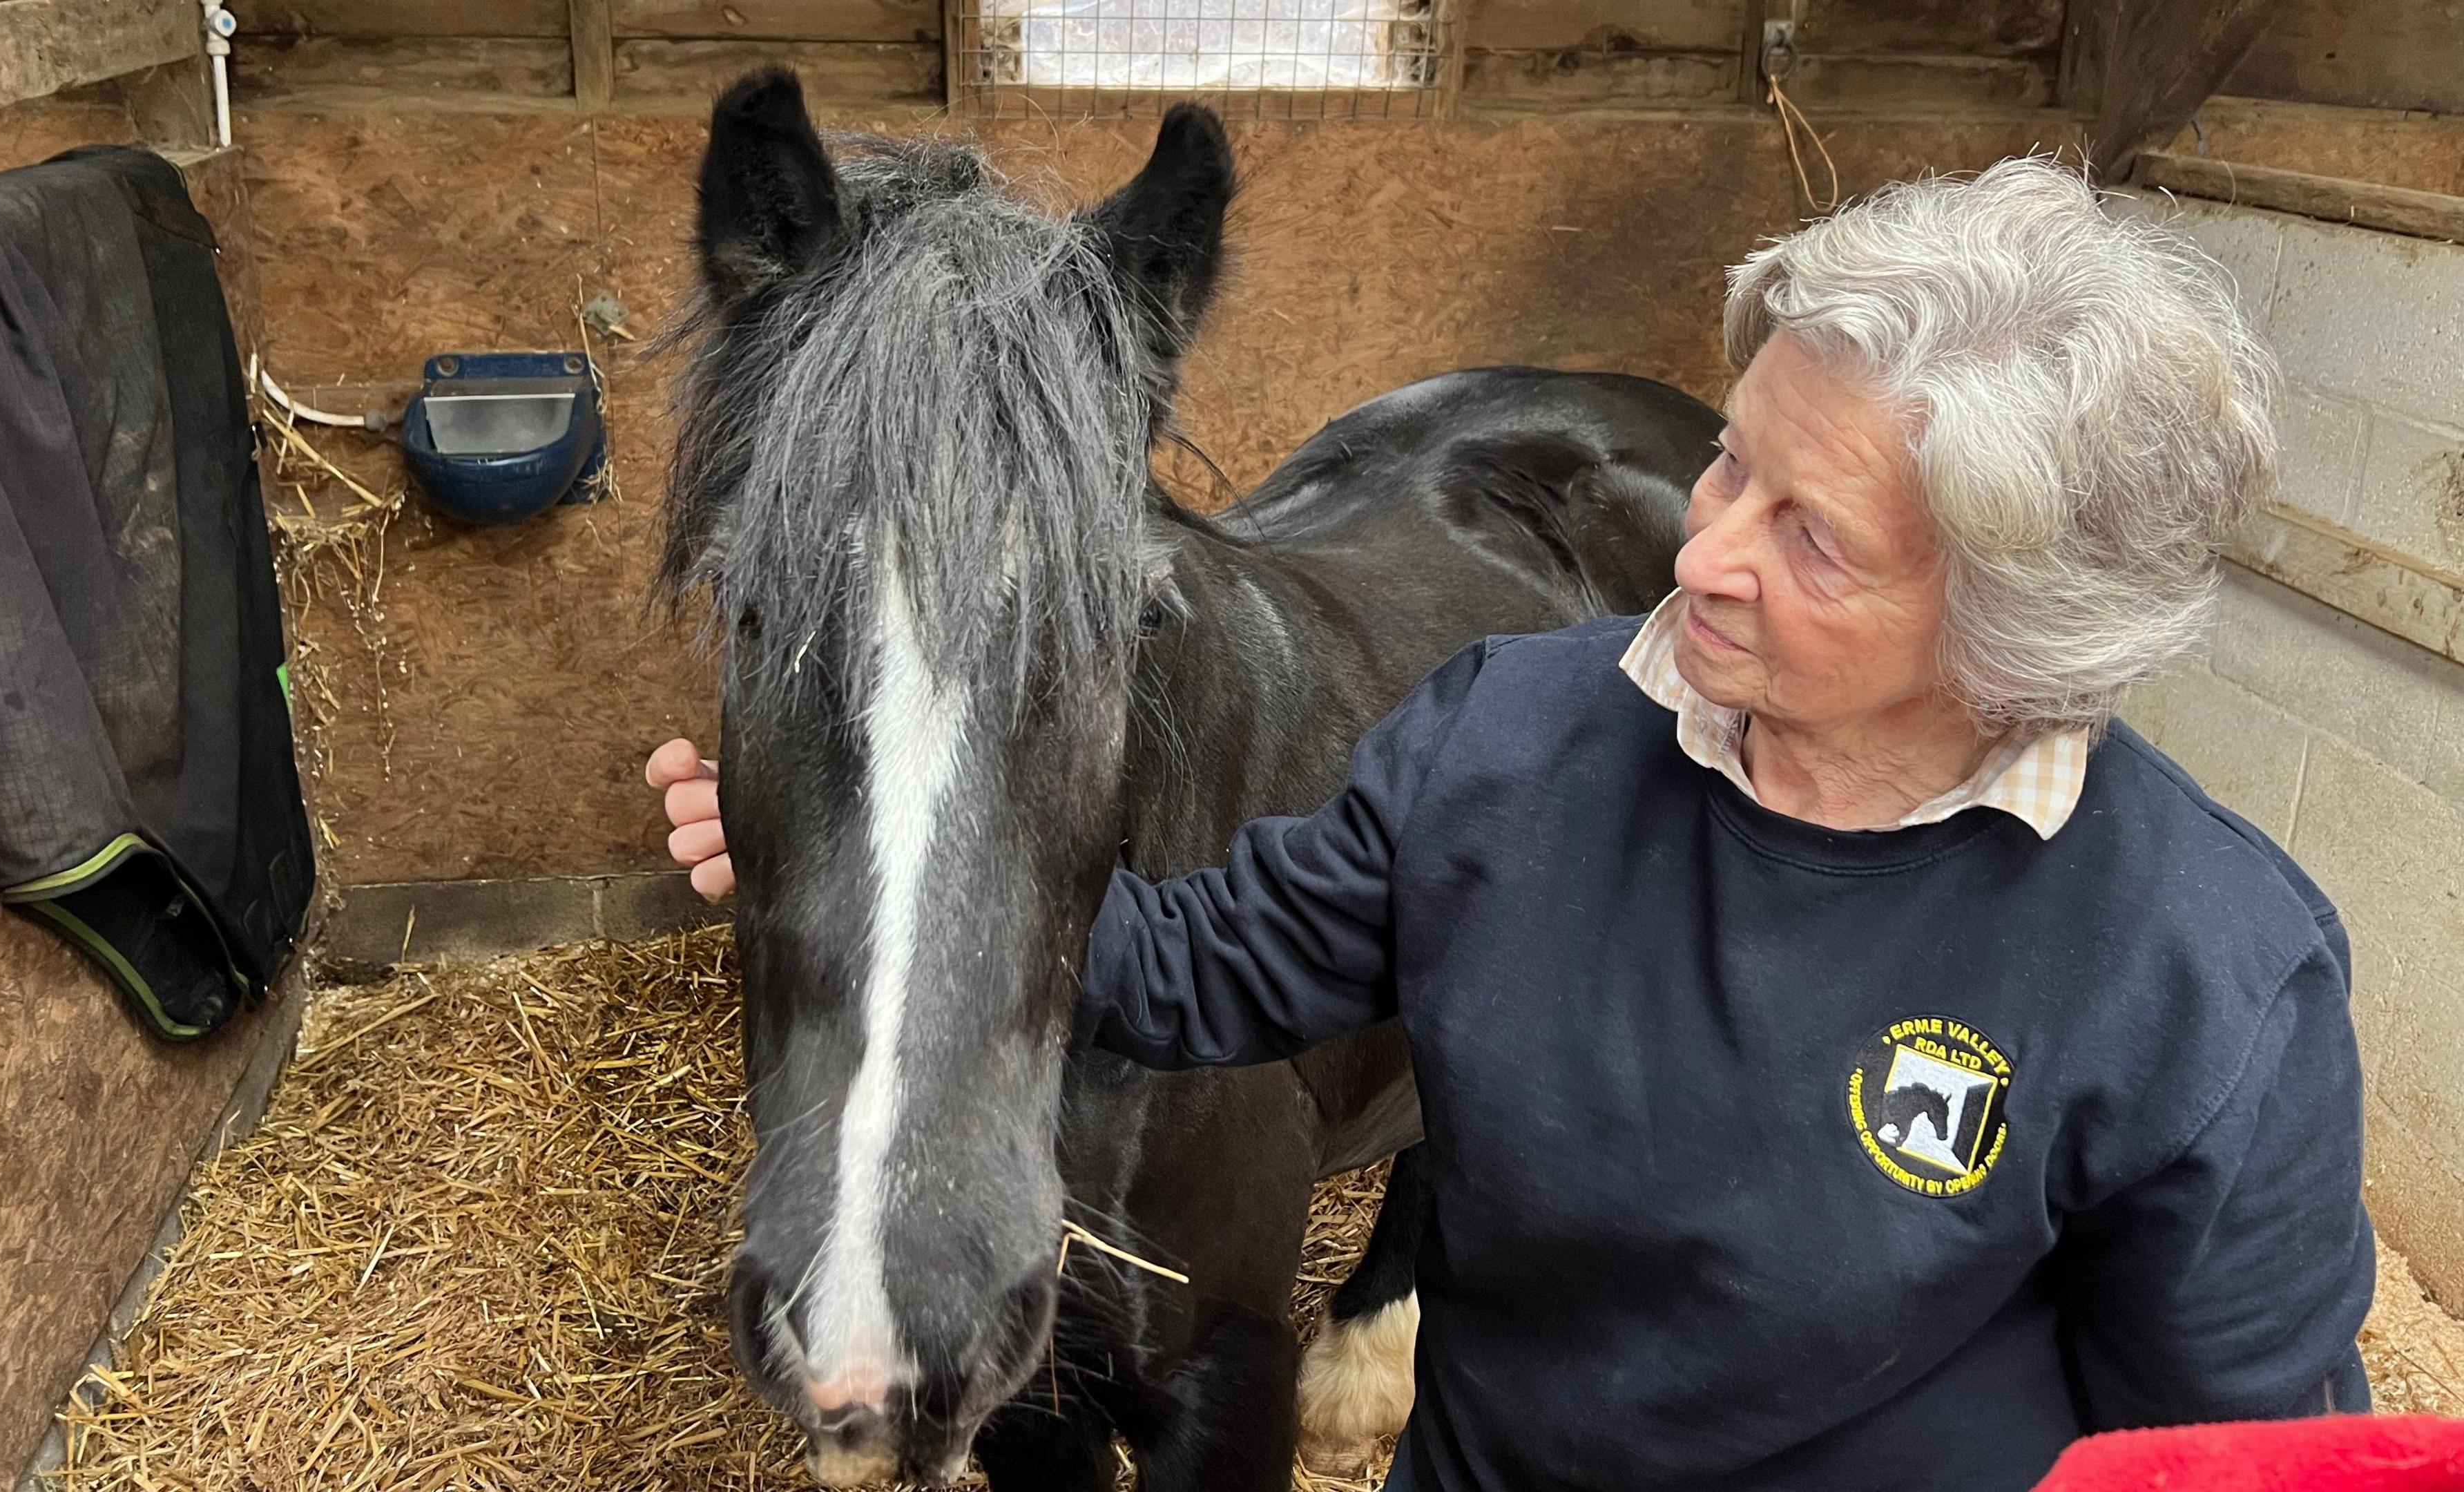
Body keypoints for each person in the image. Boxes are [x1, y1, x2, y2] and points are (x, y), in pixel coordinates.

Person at [645, 159, 2374, 1490]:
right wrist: (883, 858)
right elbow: (1186, 969)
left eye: (1812, 534)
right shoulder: (1522, 737)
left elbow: (2237, 1458)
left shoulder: (2207, 986)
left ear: (2017, 616)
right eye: (1727, 468)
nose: (1699, 552)